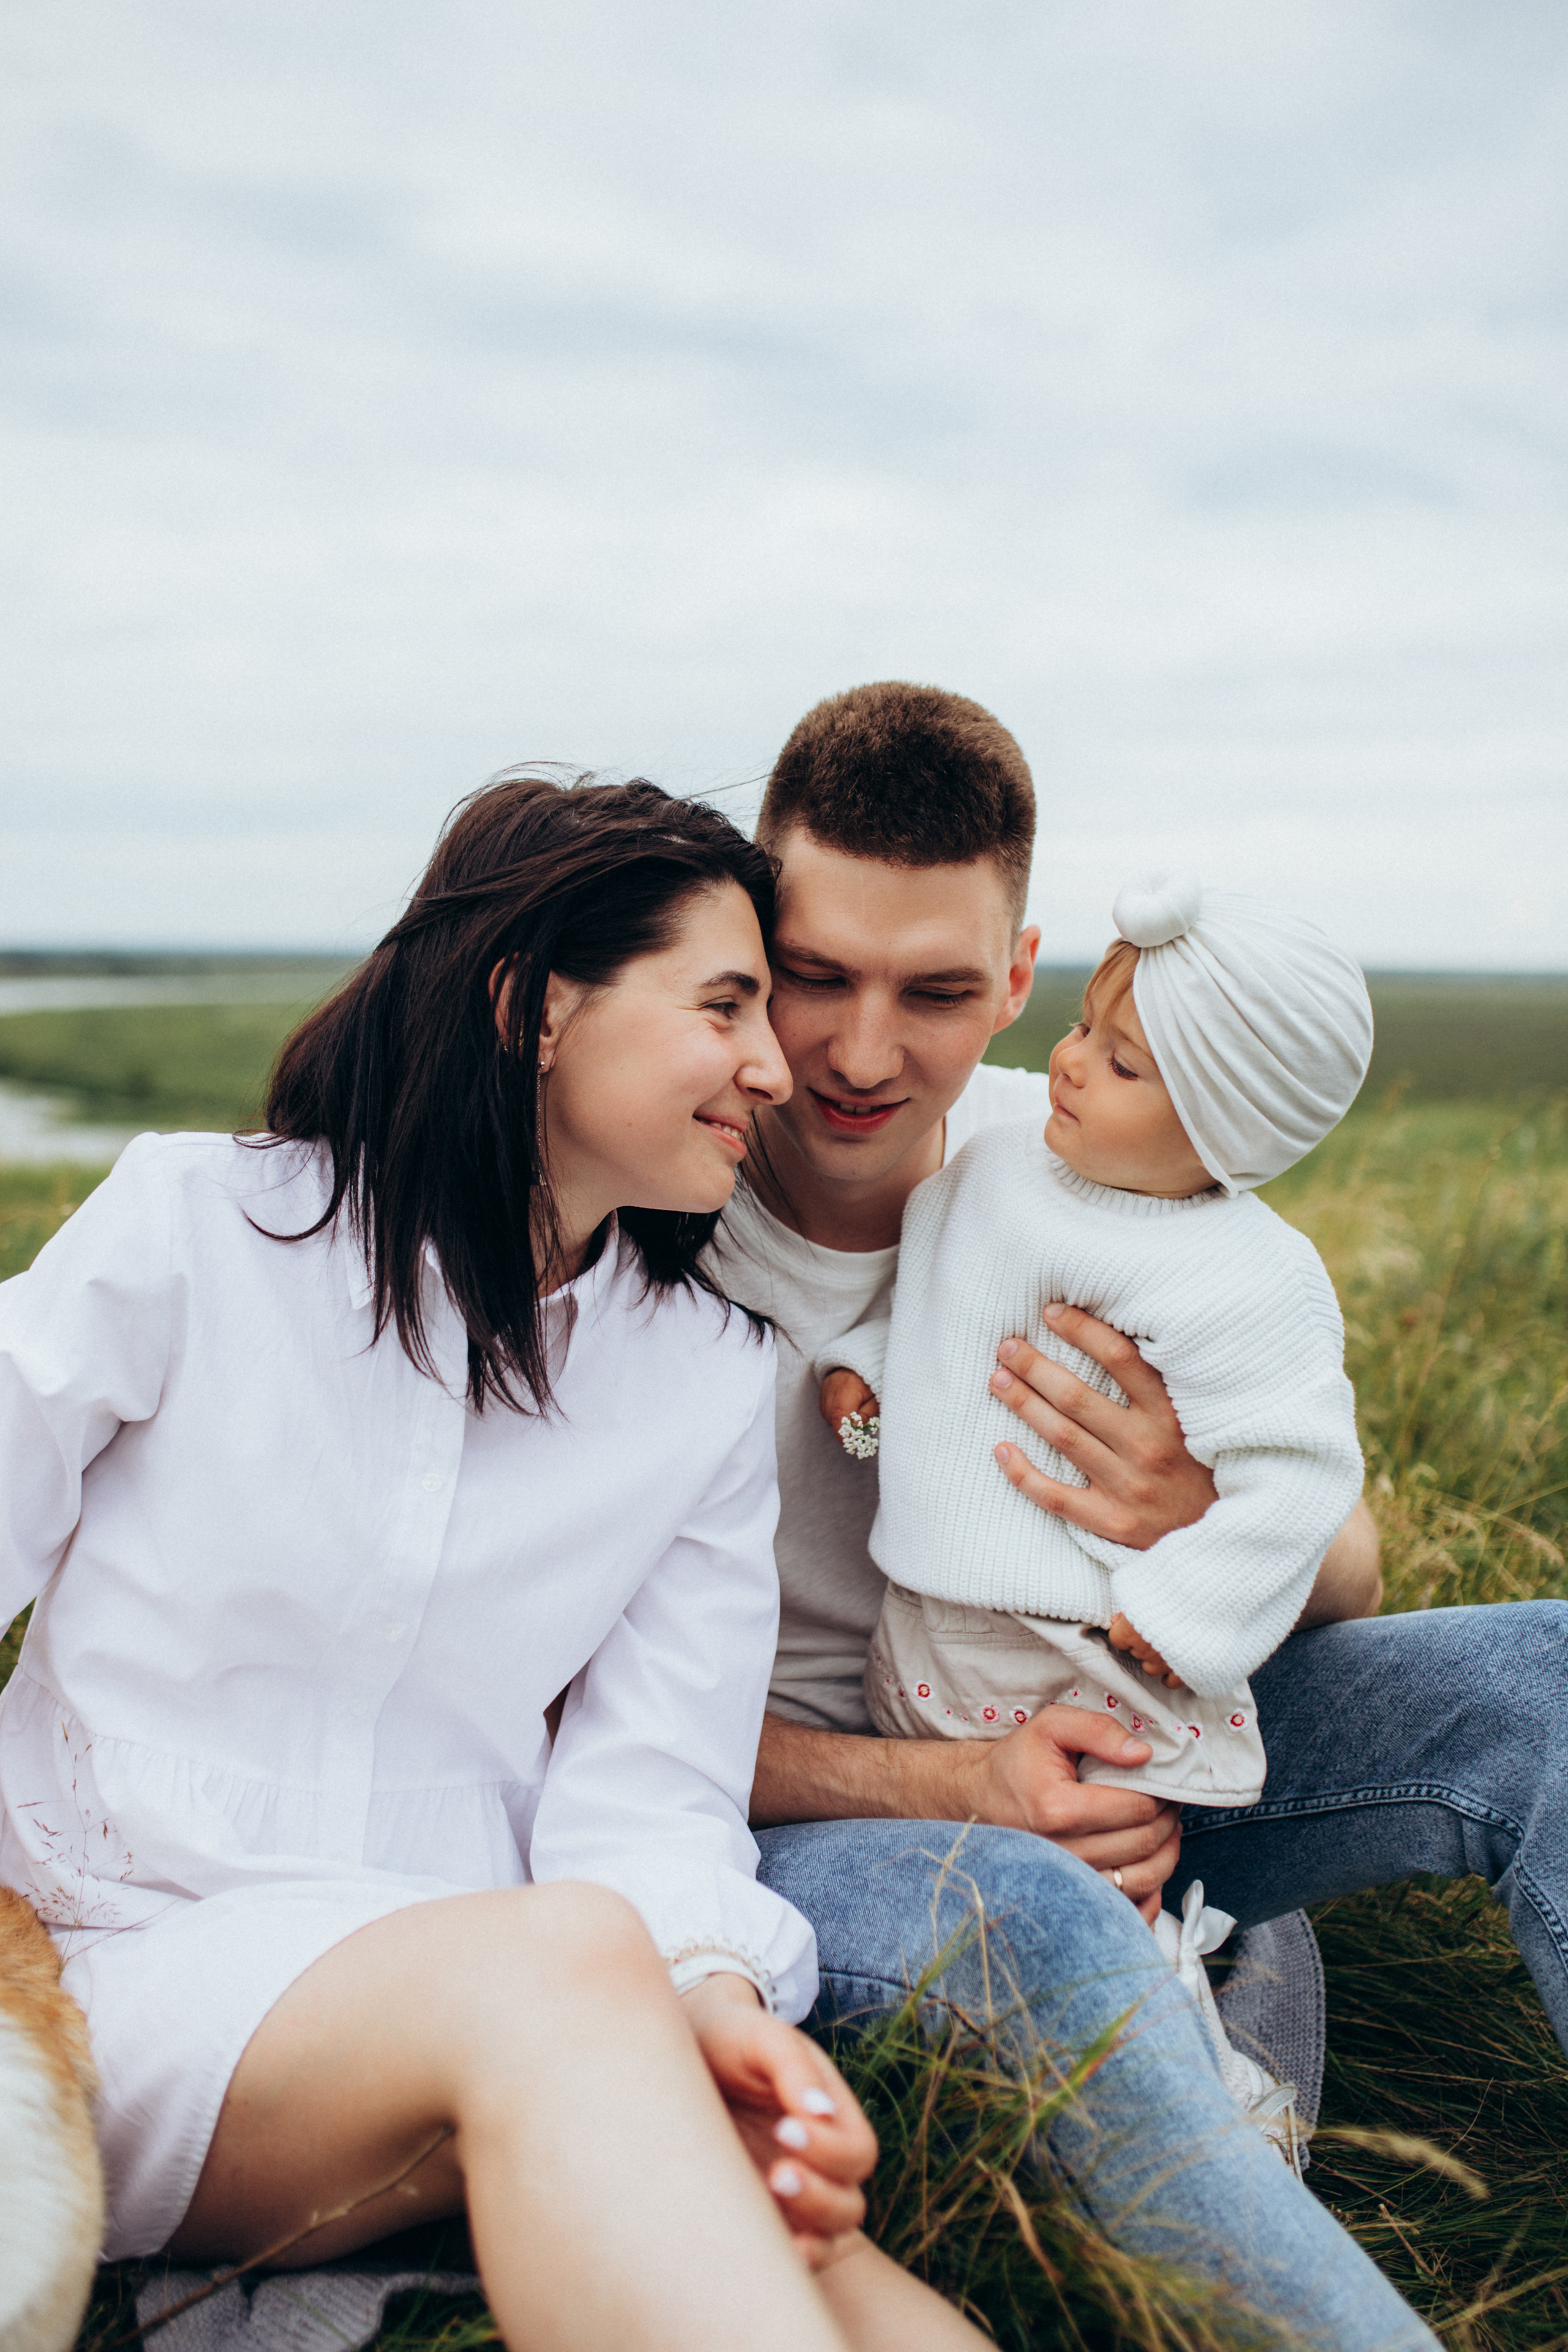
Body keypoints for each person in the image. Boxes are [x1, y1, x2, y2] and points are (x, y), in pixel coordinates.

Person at [0, 772, 987, 2352]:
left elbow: (650, 1786)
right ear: (534, 1007)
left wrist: (714, 2006)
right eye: (724, 1004)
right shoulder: (196, 1229)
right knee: (570, 1972)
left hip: (492, 2007)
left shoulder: (699, 1376)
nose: (774, 1065)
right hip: (100, 1977)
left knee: (843, 2281)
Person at [711, 680, 1566, 2346]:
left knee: (1544, 1676)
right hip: (825, 1823)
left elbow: (1342, 1564)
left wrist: (1186, 1507)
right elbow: (555, 1735)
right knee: (1051, 1921)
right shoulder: (644, 1217)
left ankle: (1221, 1987)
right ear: (748, 957)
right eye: (816, 976)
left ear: (1016, 978)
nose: (865, 1055)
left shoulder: (1096, 1157)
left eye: (936, 991)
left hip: (1141, 1727)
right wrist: (962, 1792)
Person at [817, 872, 1373, 1815]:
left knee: (1109, 1849)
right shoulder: (995, 1167)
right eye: (1083, 1028)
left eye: (1123, 1066)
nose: (1070, 1062)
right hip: (920, 1639)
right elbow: (949, 1309)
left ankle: (1157, 1911)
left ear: (1223, 1126)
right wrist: (866, 1368)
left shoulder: (1244, 1271)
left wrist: (1188, 1613)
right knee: (987, 1867)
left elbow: (1298, 1476)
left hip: (1094, 1657)